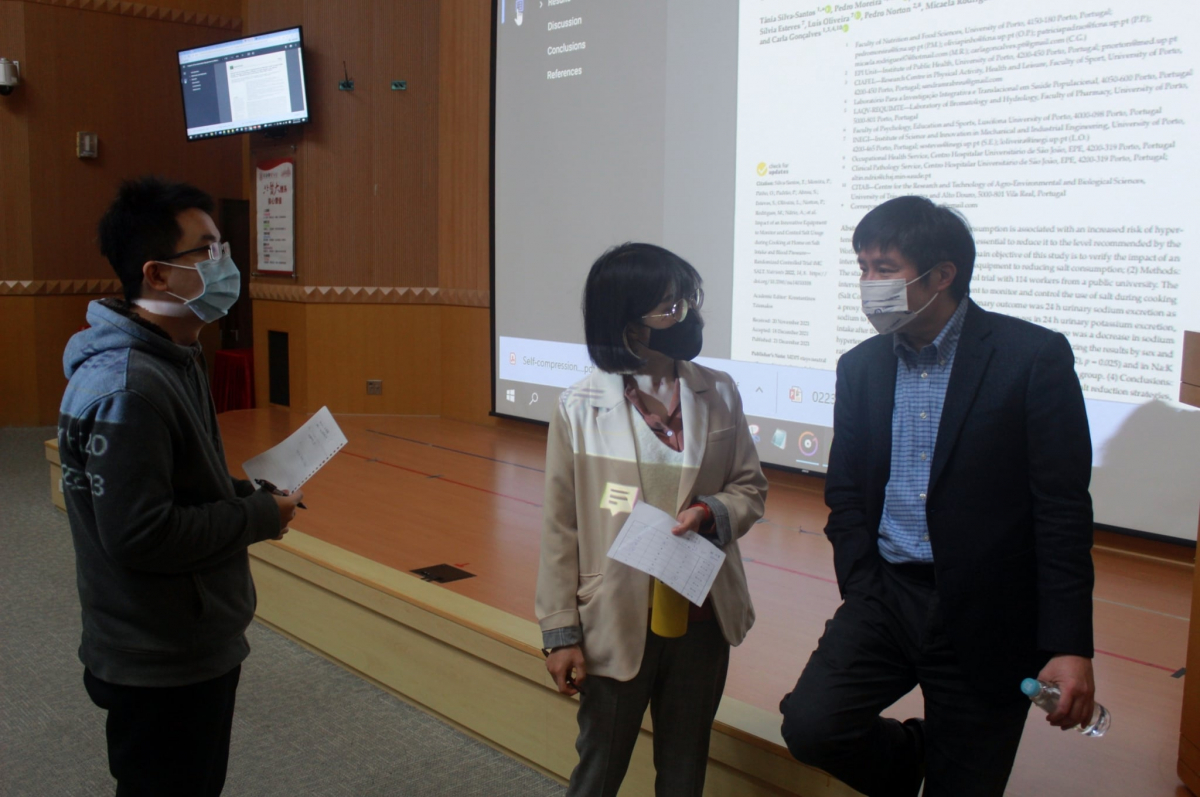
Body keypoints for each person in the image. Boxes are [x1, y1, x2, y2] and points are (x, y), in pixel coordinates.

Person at [779, 196, 1096, 797]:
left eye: (885, 268)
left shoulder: (1032, 358)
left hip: (989, 612)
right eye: (862, 268)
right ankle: (912, 754)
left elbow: (1062, 512)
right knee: (813, 727)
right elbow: (846, 492)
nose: (868, 284)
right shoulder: (861, 366)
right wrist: (864, 585)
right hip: (887, 596)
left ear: (942, 274)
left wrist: (1069, 644)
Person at [58, 177, 303, 796]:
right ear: (158, 274)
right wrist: (260, 518)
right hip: (160, 656)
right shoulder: (129, 387)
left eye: (224, 248)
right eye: (208, 251)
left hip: (183, 640)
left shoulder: (176, 353)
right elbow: (143, 534)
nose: (225, 265)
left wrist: (244, 494)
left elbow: (176, 485)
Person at [537, 243, 768, 797]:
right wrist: (560, 634)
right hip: (616, 615)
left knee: (685, 769)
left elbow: (750, 488)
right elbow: (560, 529)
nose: (685, 316)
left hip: (702, 613)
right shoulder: (578, 407)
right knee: (599, 769)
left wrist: (711, 512)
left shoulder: (719, 391)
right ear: (625, 321)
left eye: (685, 301)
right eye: (668, 307)